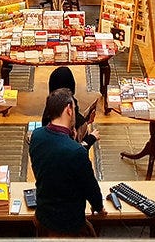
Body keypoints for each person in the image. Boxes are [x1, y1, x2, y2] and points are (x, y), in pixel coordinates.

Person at [29, 88, 106, 236]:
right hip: (69, 225)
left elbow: (51, 168)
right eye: (75, 109)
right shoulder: (76, 152)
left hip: (43, 218)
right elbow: (90, 187)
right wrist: (99, 207)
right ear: (69, 110)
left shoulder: (36, 136)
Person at [40, 66, 99, 149]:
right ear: (69, 110)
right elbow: (78, 152)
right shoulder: (70, 133)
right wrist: (91, 138)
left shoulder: (38, 133)